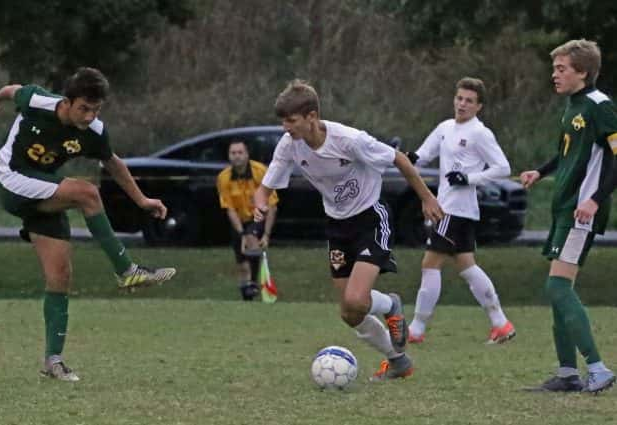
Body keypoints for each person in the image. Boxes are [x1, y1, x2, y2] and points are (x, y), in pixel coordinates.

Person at [0, 67, 176, 382]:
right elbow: (13, 88)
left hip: (43, 191)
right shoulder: (39, 101)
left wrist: (142, 200)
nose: (89, 116)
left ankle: (53, 362)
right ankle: (127, 270)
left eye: (96, 109)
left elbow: (113, 162)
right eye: (84, 108)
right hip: (12, 179)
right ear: (67, 102)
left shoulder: (94, 131)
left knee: (60, 276)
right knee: (87, 193)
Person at [253, 79, 443, 380]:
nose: (285, 128)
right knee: (349, 312)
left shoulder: (349, 140)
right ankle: (398, 361)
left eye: (291, 121)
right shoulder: (290, 145)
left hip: (371, 218)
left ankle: (390, 304)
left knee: (356, 299)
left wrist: (427, 197)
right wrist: (260, 202)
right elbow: (264, 188)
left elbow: (399, 159)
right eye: (283, 121)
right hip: (337, 226)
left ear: (311, 117)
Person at [520, 39, 617, 394]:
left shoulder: (600, 106)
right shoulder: (571, 107)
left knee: (557, 286)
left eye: (561, 69)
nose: (554, 75)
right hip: (564, 207)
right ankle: (566, 374)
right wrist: (540, 172)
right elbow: (567, 154)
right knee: (560, 288)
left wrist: (594, 200)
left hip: (581, 211)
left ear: (583, 72)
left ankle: (598, 369)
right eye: (554, 68)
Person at [404, 77, 516, 345]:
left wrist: (469, 178)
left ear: (479, 106)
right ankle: (501, 324)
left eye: (469, 101)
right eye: (459, 98)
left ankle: (416, 330)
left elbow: (503, 168)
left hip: (454, 210)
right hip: (452, 208)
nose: (462, 104)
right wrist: (402, 159)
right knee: (467, 266)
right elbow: (421, 155)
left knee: (430, 263)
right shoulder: (445, 127)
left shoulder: (480, 133)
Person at [216, 139, 278, 300]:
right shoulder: (223, 178)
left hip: (259, 215)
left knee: (251, 239)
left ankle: (253, 282)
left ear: (247, 154)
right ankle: (248, 294)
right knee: (242, 264)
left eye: (240, 152)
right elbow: (229, 209)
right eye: (233, 153)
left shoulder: (260, 171)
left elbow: (272, 206)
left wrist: (266, 234)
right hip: (239, 220)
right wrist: (241, 233)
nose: (237, 156)